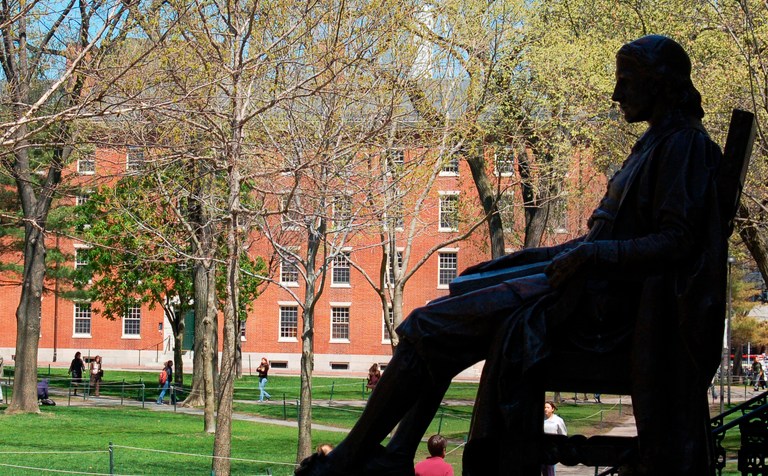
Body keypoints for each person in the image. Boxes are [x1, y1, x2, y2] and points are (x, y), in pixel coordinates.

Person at [296, 35, 727, 476]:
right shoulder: (659, 143)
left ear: (658, 84)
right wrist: (511, 261)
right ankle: (399, 450)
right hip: (586, 292)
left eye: (626, 81)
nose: (617, 94)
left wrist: (591, 255)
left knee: (429, 324)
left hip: (602, 311)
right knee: (460, 289)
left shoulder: (683, 147)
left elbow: (678, 241)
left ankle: (353, 456)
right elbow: (594, 242)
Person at [542, 401, 567, 476]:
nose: (545, 409)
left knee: (549, 471)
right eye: (544, 407)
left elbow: (563, 435)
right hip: (541, 449)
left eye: (548, 407)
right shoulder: (540, 419)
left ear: (552, 409)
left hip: (552, 451)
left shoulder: (558, 420)